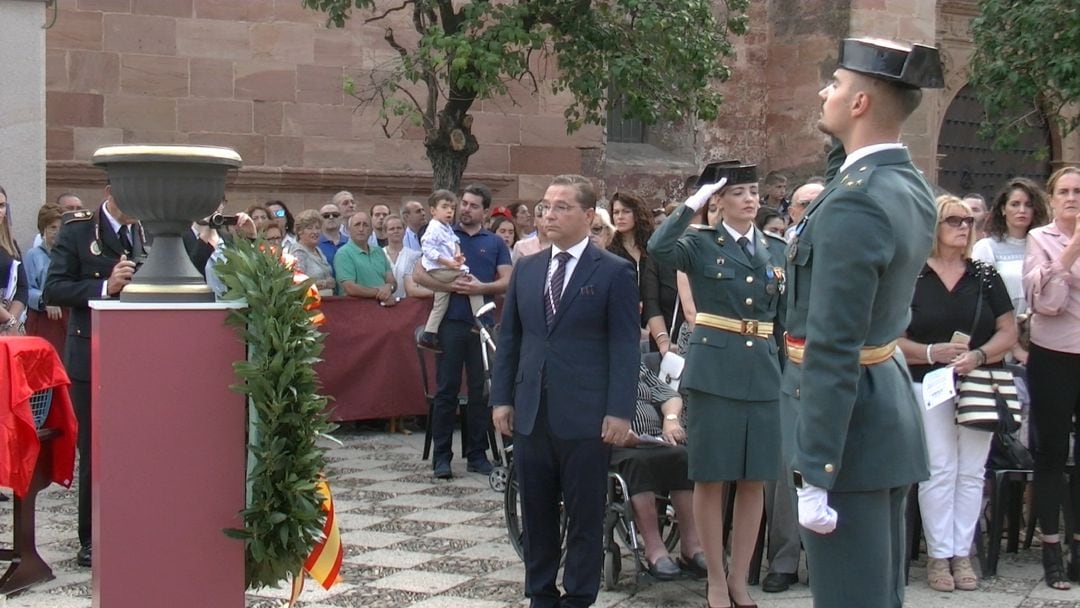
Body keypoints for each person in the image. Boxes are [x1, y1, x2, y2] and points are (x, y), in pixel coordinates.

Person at [780, 38, 944, 608]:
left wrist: (817, 469)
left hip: (845, 432)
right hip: (882, 411)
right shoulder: (904, 183)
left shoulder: (856, 201)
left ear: (860, 104)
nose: (825, 90)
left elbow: (832, 342)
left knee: (853, 597)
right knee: (876, 592)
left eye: (837, 84)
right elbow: (845, 167)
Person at [490, 174, 639, 608]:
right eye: (544, 206)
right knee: (534, 512)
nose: (548, 215)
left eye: (560, 207)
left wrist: (619, 411)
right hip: (532, 409)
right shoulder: (529, 268)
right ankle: (540, 593)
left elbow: (625, 346)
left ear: (588, 216)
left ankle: (578, 596)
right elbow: (511, 338)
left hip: (587, 415)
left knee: (585, 515)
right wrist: (502, 398)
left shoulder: (613, 272)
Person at [649, 161, 787, 608]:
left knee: (754, 480)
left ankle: (739, 578)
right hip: (714, 370)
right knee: (711, 477)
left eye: (754, 191)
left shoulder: (777, 249)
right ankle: (713, 577)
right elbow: (658, 246)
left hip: (764, 370)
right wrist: (692, 200)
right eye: (739, 192)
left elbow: (782, 319)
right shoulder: (700, 243)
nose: (750, 199)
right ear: (719, 200)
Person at [897, 195, 1017, 592]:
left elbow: (1008, 331)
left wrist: (980, 355)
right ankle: (938, 555)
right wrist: (931, 352)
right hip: (928, 382)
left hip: (977, 382)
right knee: (939, 468)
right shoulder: (912, 275)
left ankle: (961, 554)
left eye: (968, 220)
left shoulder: (983, 273)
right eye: (953, 220)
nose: (963, 227)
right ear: (934, 225)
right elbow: (891, 337)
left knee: (971, 471)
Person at [44, 185, 145, 567]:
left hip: (137, 356)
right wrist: (107, 286)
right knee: (96, 450)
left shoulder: (143, 230)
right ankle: (91, 537)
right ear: (111, 190)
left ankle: (130, 524)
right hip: (91, 353)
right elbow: (55, 288)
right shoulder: (78, 230)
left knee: (133, 446)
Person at [413, 182, 510, 479]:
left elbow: (508, 280)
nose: (464, 209)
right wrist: (448, 285)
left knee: (482, 391)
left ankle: (477, 454)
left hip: (482, 324)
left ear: (483, 210)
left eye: (471, 205)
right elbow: (418, 274)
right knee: (447, 390)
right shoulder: (442, 232)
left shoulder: (494, 242)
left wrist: (483, 287)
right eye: (462, 203)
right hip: (451, 323)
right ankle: (442, 456)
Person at [1024, 166, 1080, 590]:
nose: (1072, 198)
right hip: (1053, 355)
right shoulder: (1040, 239)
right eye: (1064, 191)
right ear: (1052, 197)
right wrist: (1073, 248)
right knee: (1052, 453)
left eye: (1079, 191)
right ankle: (1051, 550)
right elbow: (1049, 302)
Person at [608, 362, 706, 580]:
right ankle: (654, 549)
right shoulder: (589, 363)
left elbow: (669, 394)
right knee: (637, 463)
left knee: (681, 457)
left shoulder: (637, 366)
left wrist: (671, 420)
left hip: (652, 439)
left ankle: (691, 546)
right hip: (615, 441)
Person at [972, 178, 1050, 364]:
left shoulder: (1044, 246)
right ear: (1003, 209)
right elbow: (982, 300)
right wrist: (1013, 347)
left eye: (1028, 205)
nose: (1022, 210)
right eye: (1015, 204)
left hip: (1040, 339)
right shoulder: (987, 248)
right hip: (999, 340)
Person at [416, 190, 484, 352]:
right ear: (433, 210)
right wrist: (448, 261)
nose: (449, 212)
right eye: (444, 207)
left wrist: (457, 255)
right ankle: (480, 320)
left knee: (440, 302)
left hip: (446, 267)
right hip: (439, 269)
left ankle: (429, 334)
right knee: (470, 281)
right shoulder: (433, 228)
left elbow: (455, 241)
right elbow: (428, 249)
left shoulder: (446, 227)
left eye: (452, 208)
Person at [23, 203, 67, 353]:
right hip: (42, 318)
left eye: (60, 228)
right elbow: (26, 289)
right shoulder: (33, 255)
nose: (56, 232)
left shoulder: (70, 256)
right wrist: (46, 299)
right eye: (52, 227)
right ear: (43, 230)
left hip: (66, 317)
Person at [333, 211, 396, 305]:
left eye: (365, 225)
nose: (361, 229)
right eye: (357, 225)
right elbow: (350, 288)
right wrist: (381, 292)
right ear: (349, 230)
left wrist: (389, 288)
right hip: (357, 310)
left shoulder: (379, 252)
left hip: (384, 308)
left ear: (371, 231)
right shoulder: (343, 253)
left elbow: (392, 282)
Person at [607, 191, 654, 285]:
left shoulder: (651, 244)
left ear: (637, 214)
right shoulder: (609, 247)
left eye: (626, 212)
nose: (620, 217)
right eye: (616, 212)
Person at [0, 186, 29, 336]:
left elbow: (23, 288)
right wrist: (9, 321)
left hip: (11, 325)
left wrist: (12, 323)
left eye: (2, 205)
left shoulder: (11, 244)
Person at [383, 215, 429, 300]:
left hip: (407, 305)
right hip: (383, 303)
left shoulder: (415, 256)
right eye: (391, 229)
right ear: (385, 232)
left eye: (399, 228)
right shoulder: (379, 255)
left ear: (404, 231)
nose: (396, 231)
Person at [292, 210, 336, 295]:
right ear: (300, 231)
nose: (315, 232)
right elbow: (298, 284)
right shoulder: (298, 252)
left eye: (317, 228)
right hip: (309, 304)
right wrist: (324, 284)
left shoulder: (318, 250)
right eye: (309, 228)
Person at [317, 203, 348, 267]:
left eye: (335, 215)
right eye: (326, 216)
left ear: (341, 218)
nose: (331, 217)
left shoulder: (350, 242)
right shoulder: (315, 243)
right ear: (319, 220)